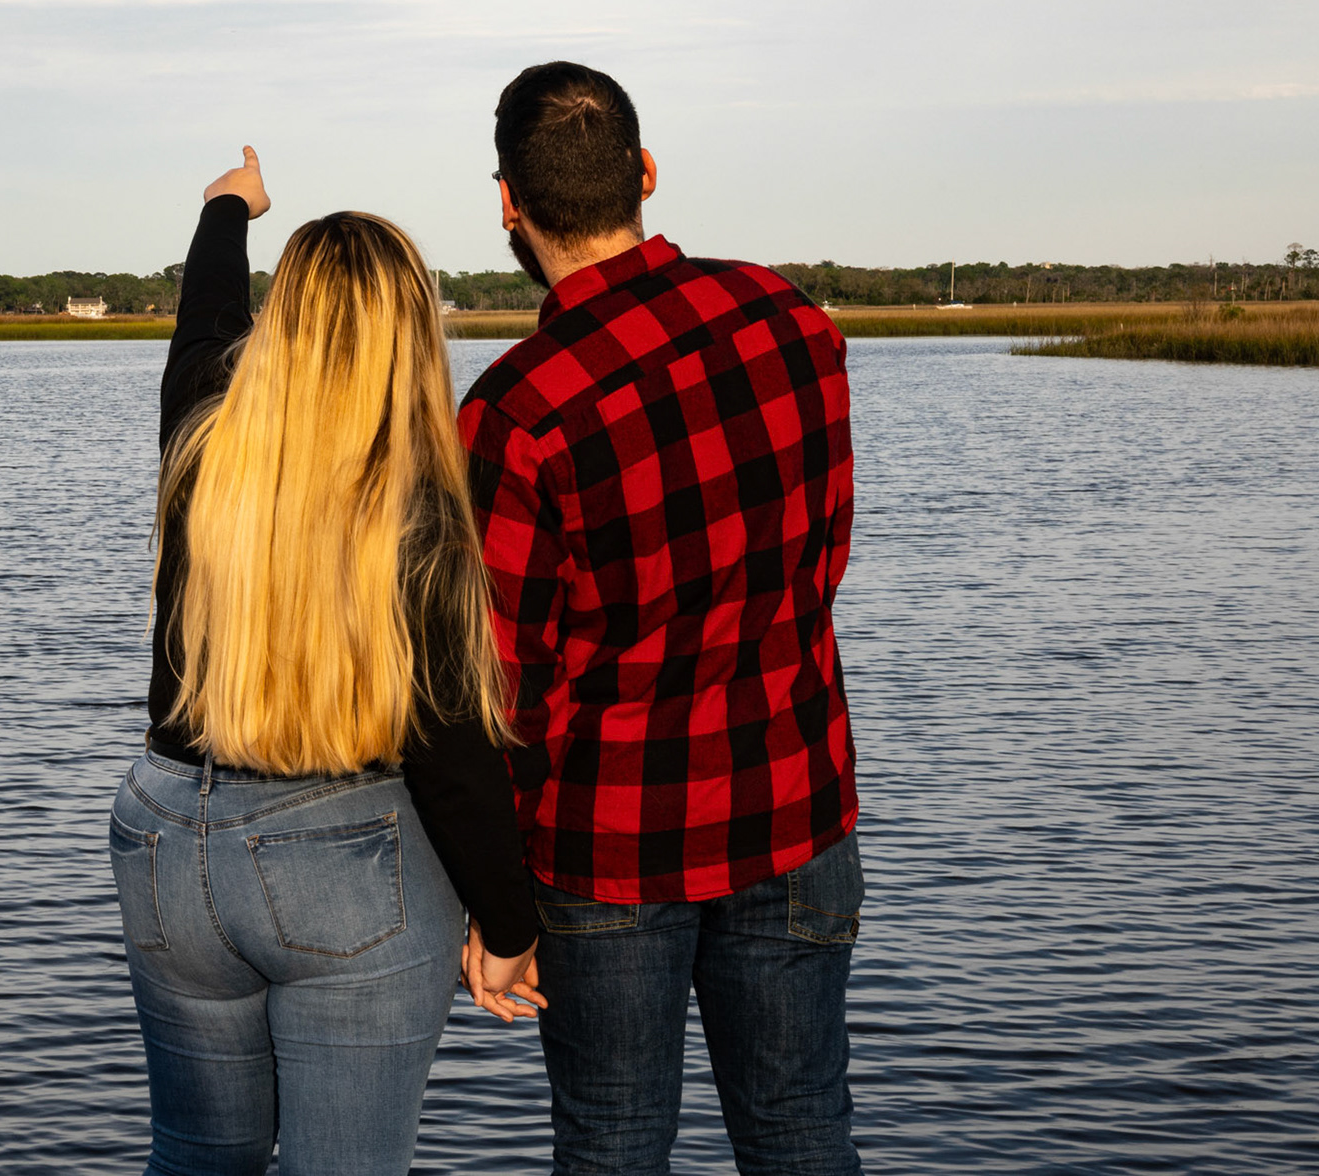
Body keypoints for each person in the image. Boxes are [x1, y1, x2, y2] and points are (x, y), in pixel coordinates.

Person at [458, 62, 866, 1175]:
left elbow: (507, 691)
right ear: (644, 172)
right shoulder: (793, 321)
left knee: (614, 1145)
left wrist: (496, 907)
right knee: (802, 1130)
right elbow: (824, 557)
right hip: (796, 803)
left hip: (608, 851)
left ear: (508, 201)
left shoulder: (518, 408)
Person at [108, 147, 545, 1176]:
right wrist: (510, 920)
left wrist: (228, 204)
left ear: (283, 322)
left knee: (194, 1158)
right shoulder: (422, 508)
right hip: (344, 858)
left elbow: (206, 314)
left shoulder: (202, 442)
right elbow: (449, 749)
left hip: (168, 836)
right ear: (411, 336)